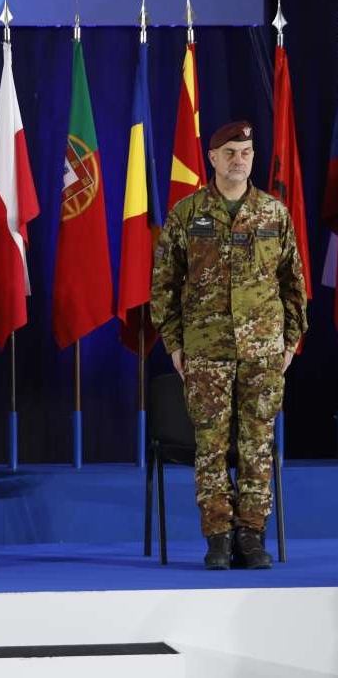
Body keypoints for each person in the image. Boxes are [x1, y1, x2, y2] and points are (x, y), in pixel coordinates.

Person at [151, 121, 307, 570]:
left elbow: (293, 284)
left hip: (263, 352)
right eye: (230, 152)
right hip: (206, 350)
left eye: (246, 152)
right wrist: (174, 343)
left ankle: (251, 535)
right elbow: (163, 285)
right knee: (211, 446)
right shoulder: (187, 214)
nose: (239, 160)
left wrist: (290, 340)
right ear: (213, 159)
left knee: (258, 444)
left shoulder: (273, 214)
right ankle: (218, 536)